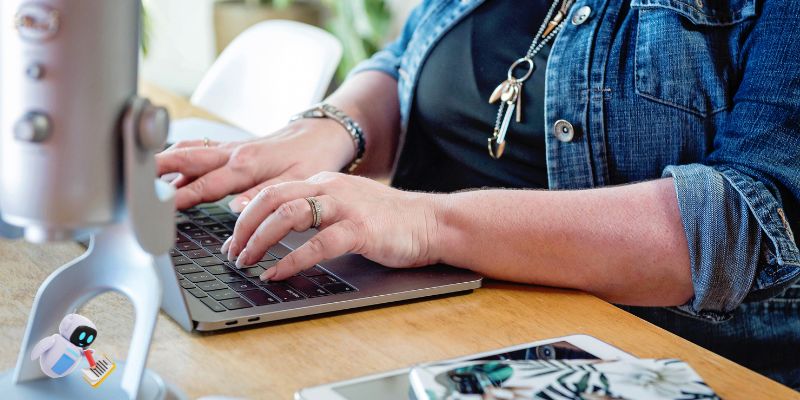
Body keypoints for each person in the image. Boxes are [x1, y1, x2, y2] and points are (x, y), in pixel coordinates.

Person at [156, 0, 800, 389]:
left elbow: (744, 224)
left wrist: (426, 223)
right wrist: (335, 129)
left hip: (647, 361)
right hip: (425, 314)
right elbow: (406, 54)